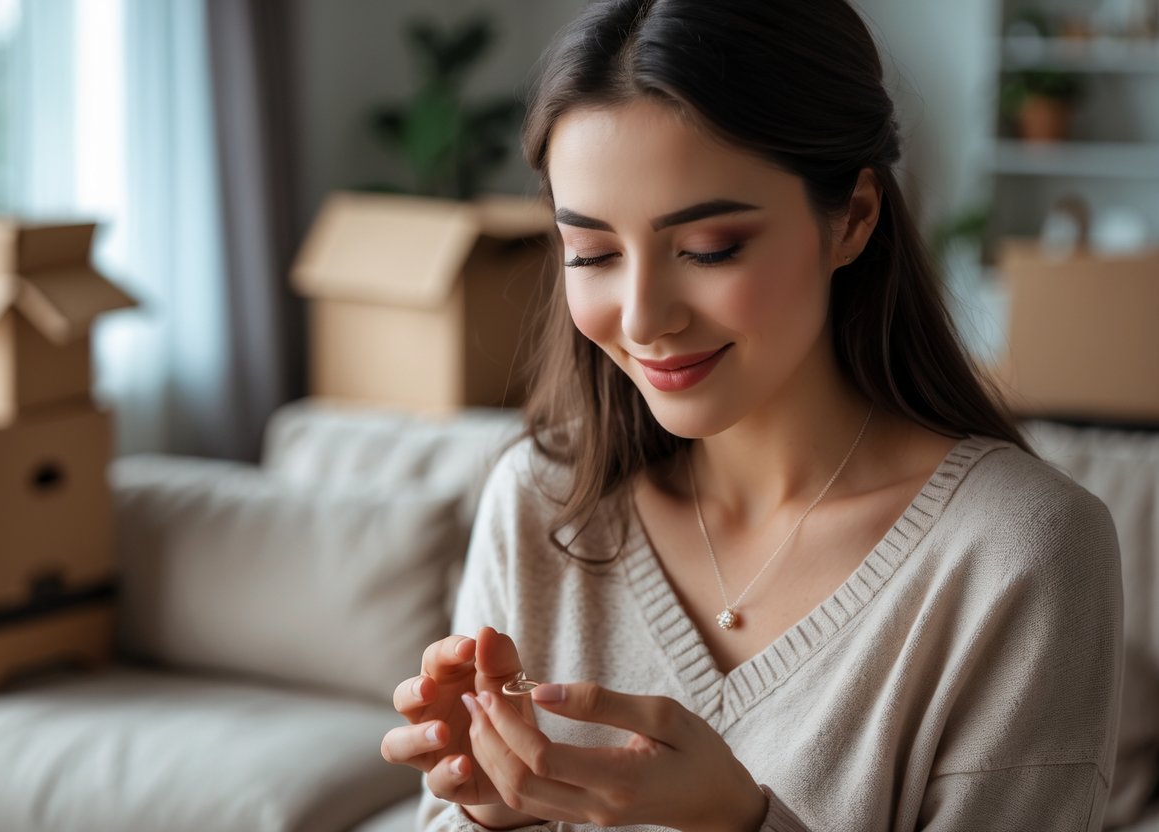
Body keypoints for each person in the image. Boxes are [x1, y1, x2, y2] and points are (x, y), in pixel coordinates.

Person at [380, 0, 1124, 829]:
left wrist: (740, 823)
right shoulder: (540, 498)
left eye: (708, 249)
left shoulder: (1022, 552)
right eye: (590, 254)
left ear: (854, 218)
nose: (640, 318)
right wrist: (493, 813)